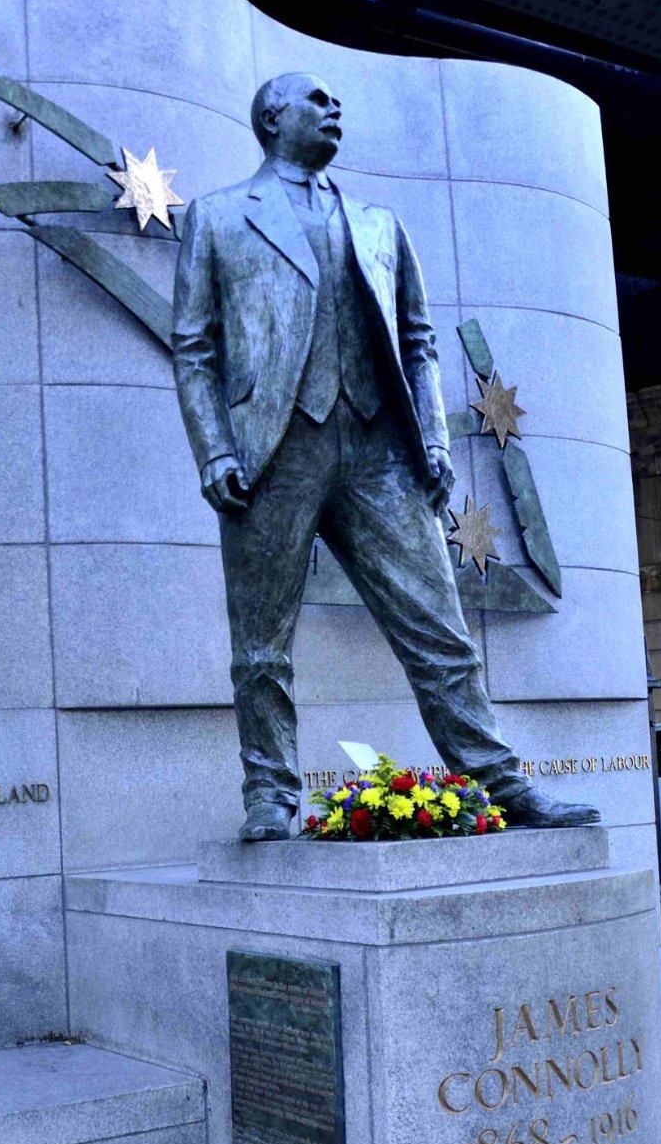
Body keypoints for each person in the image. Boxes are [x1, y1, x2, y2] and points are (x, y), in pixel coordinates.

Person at [170, 72, 600, 840]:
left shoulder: (377, 223)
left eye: (337, 100)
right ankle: (270, 793)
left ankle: (499, 783)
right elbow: (195, 349)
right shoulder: (219, 216)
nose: (335, 107)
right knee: (262, 643)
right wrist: (213, 452)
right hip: (274, 451)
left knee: (440, 629)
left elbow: (420, 341)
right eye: (317, 98)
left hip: (378, 452)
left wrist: (433, 439)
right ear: (273, 117)